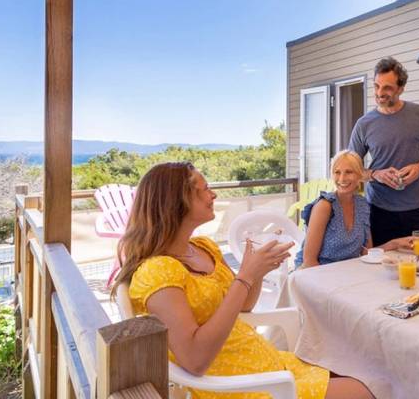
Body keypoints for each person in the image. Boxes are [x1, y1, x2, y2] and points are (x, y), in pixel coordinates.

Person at [112, 162, 373, 399]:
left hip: (262, 360)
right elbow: (194, 359)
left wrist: (256, 272)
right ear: (175, 202)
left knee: (367, 373)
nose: (212, 194)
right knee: (366, 391)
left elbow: (245, 305)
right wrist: (245, 277)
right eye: (203, 190)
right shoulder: (158, 272)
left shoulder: (203, 247)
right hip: (241, 384)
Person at [348, 57, 419, 246]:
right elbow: (351, 170)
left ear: (401, 88)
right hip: (379, 211)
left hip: (418, 210)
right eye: (376, 86)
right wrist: (376, 174)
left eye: (387, 88)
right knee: (379, 269)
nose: (380, 93)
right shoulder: (363, 124)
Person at [296, 150, 410, 268]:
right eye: (337, 172)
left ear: (360, 175)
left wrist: (395, 243)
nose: (342, 178)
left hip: (347, 273)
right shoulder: (324, 205)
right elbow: (309, 261)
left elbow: (367, 253)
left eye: (349, 172)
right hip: (316, 274)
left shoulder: (362, 205)